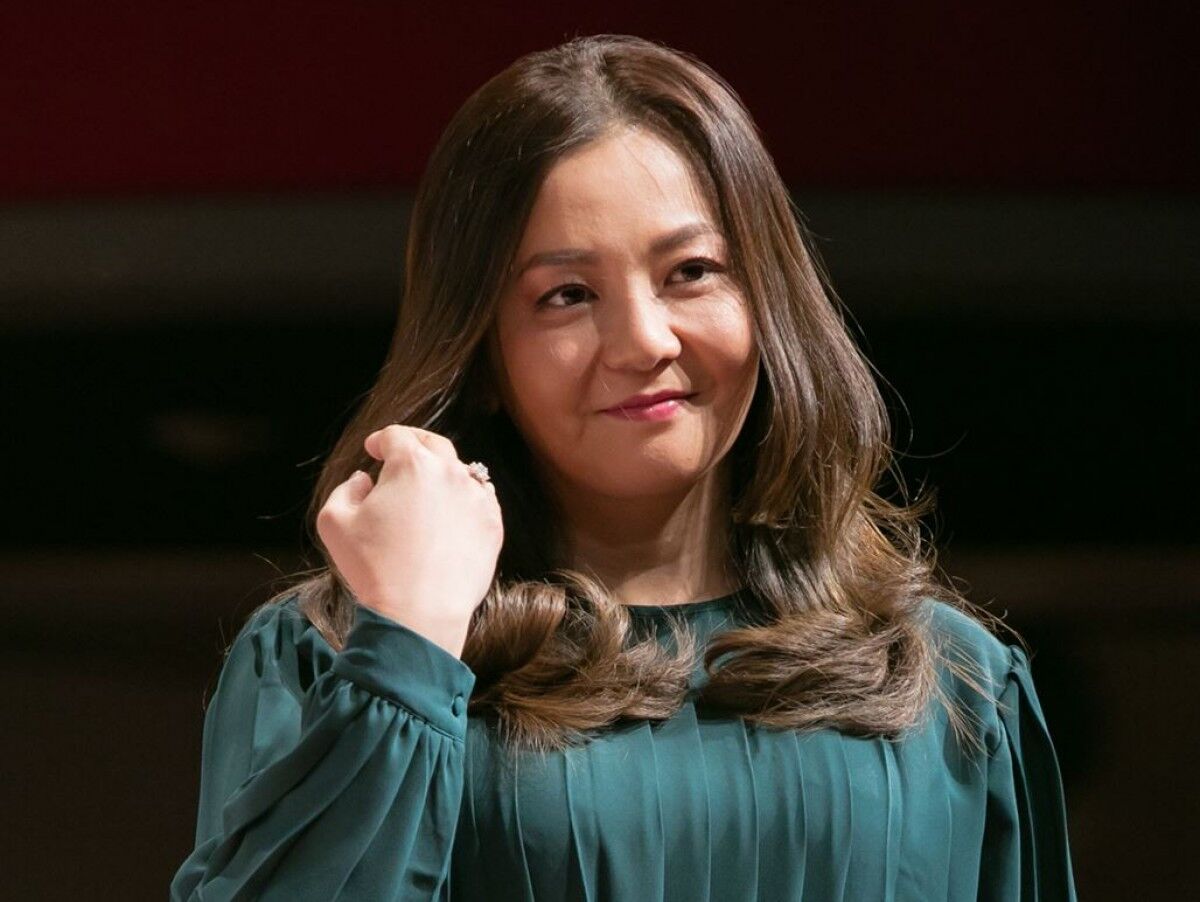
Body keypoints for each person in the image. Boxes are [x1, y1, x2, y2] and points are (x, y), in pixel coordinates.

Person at [170, 33, 1078, 901]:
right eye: (567, 295)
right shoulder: (326, 656)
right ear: (482, 354)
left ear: (766, 299)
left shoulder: (954, 680)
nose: (644, 341)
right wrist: (408, 645)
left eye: (691, 272)